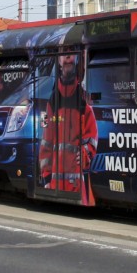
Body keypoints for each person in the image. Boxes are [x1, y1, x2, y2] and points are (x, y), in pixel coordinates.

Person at [38, 52, 98, 201]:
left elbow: (92, 139)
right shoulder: (50, 103)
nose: (68, 56)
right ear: (58, 60)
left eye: (71, 52)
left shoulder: (84, 101)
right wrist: (46, 177)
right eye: (64, 53)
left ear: (77, 58)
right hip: (54, 187)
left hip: (77, 188)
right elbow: (45, 142)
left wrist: (85, 154)